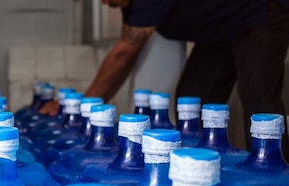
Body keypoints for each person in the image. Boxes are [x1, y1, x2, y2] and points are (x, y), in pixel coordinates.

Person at [84, 0, 289, 151]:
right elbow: (125, 58)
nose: (103, 3)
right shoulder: (131, 8)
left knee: (259, 101)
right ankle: (203, 169)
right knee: (193, 100)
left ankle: (276, 182)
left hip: (260, 14)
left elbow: (123, 54)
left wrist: (84, 109)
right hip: (220, 30)